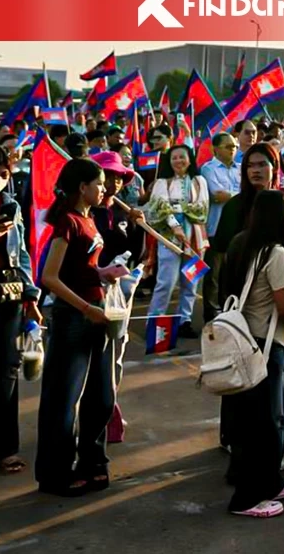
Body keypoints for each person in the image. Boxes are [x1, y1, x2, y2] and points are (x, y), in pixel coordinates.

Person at [220, 190, 284, 518]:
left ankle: (270, 482)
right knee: (264, 424)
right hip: (265, 345)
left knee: (255, 420)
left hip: (242, 342)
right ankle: (247, 498)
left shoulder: (241, 244)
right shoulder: (275, 254)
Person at [36, 159, 117, 496]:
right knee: (63, 399)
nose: (104, 189)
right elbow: (50, 277)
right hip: (74, 319)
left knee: (101, 396)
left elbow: (81, 267)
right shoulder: (67, 222)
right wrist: (85, 307)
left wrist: (102, 274)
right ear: (81, 187)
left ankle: (92, 461)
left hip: (97, 314)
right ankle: (55, 474)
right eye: (98, 183)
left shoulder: (89, 219)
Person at [0, 144, 40, 475]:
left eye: (2, 175)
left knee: (6, 369)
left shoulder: (11, 205)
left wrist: (30, 296)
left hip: (7, 291)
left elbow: (21, 255)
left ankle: (5, 448)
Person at [89, 150, 146, 443]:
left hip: (122, 294)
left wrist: (137, 226)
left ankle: (111, 404)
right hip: (93, 292)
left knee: (117, 350)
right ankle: (96, 412)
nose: (112, 183)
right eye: (106, 177)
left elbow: (136, 255)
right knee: (96, 355)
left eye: (117, 177)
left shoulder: (124, 212)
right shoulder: (87, 213)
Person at [144, 144, 208, 339]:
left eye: (182, 157)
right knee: (166, 282)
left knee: (191, 283)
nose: (178, 161)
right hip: (170, 240)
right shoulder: (162, 182)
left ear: (190, 159)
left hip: (195, 240)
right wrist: (174, 224)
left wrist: (177, 208)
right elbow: (158, 207)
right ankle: (155, 325)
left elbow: (202, 209)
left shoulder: (199, 181)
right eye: (174, 158)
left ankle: (184, 321)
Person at [200, 133, 240, 324]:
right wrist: (241, 195)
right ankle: (211, 313)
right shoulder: (208, 169)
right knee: (213, 274)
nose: (233, 149)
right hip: (216, 228)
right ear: (215, 149)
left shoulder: (240, 168)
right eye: (228, 146)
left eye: (234, 146)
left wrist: (233, 195)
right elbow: (217, 195)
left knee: (231, 273)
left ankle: (228, 311)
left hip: (237, 228)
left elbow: (241, 194)